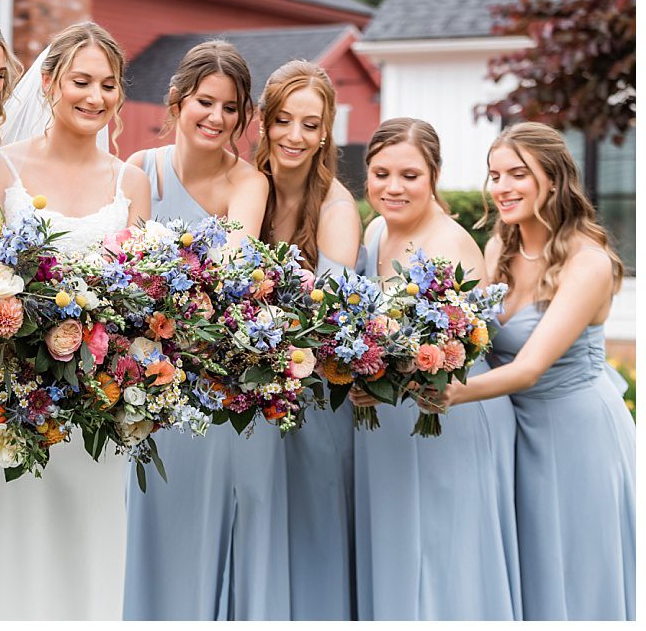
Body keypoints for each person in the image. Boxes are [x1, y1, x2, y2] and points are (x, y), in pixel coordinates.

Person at [0, 21, 150, 621]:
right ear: (48, 83)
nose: (95, 97)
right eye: (81, 81)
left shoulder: (132, 182)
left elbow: (145, 300)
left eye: (108, 84)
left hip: (102, 403)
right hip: (17, 403)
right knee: (13, 560)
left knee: (92, 558)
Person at [434, 121, 634, 621]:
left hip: (576, 435)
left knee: (577, 570)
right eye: (494, 175)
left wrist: (449, 394)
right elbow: (470, 336)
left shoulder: (588, 262)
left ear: (553, 178)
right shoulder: (500, 249)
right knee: (529, 570)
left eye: (517, 175)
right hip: (514, 434)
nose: (502, 187)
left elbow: (527, 369)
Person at [115, 40, 286, 620]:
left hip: (216, 385)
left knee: (214, 524)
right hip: (149, 383)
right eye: (205, 102)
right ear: (177, 100)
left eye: (231, 107)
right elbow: (124, 277)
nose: (217, 117)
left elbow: (227, 280)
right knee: (153, 525)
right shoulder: (139, 168)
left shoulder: (249, 184)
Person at [350, 118, 519, 620]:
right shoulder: (375, 227)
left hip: (446, 416)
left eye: (409, 174)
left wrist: (388, 377)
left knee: (445, 556)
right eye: (381, 174)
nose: (393, 188)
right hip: (387, 423)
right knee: (400, 545)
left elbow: (466, 344)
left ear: (434, 175)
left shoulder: (450, 243)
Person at [254, 61, 362, 620]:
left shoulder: (337, 209)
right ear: (265, 121)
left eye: (310, 124)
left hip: (317, 398)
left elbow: (331, 323)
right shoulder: (250, 189)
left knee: (314, 530)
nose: (294, 136)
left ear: (325, 133)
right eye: (283, 120)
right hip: (254, 392)